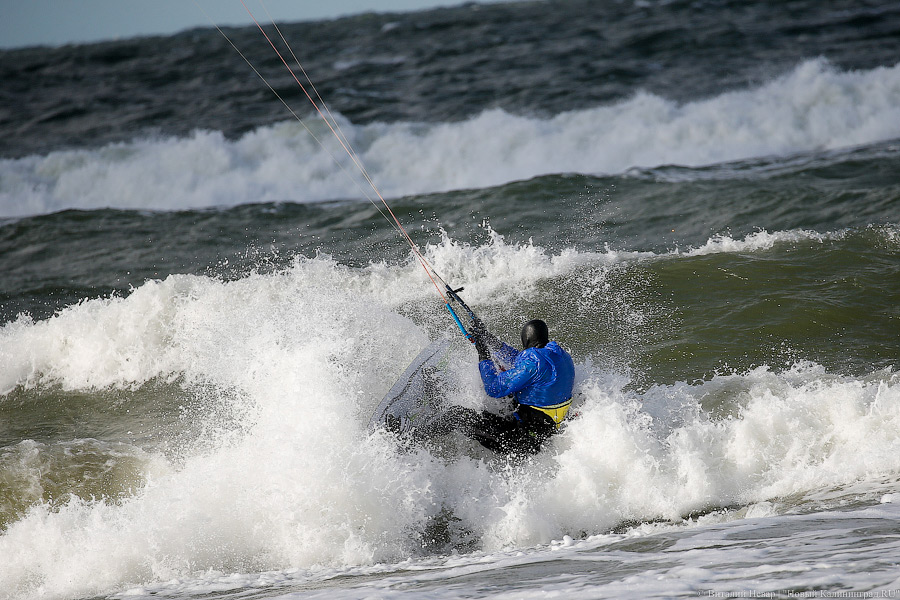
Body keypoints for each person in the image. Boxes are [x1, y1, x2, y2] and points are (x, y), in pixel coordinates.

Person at [426, 318, 575, 455]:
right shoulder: (558, 355)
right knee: (507, 393)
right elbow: (517, 359)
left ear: (527, 340)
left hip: (523, 443)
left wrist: (483, 353)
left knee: (458, 415)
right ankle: (440, 408)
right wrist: (488, 338)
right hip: (540, 431)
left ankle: (409, 440)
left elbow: (493, 388)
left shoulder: (533, 363)